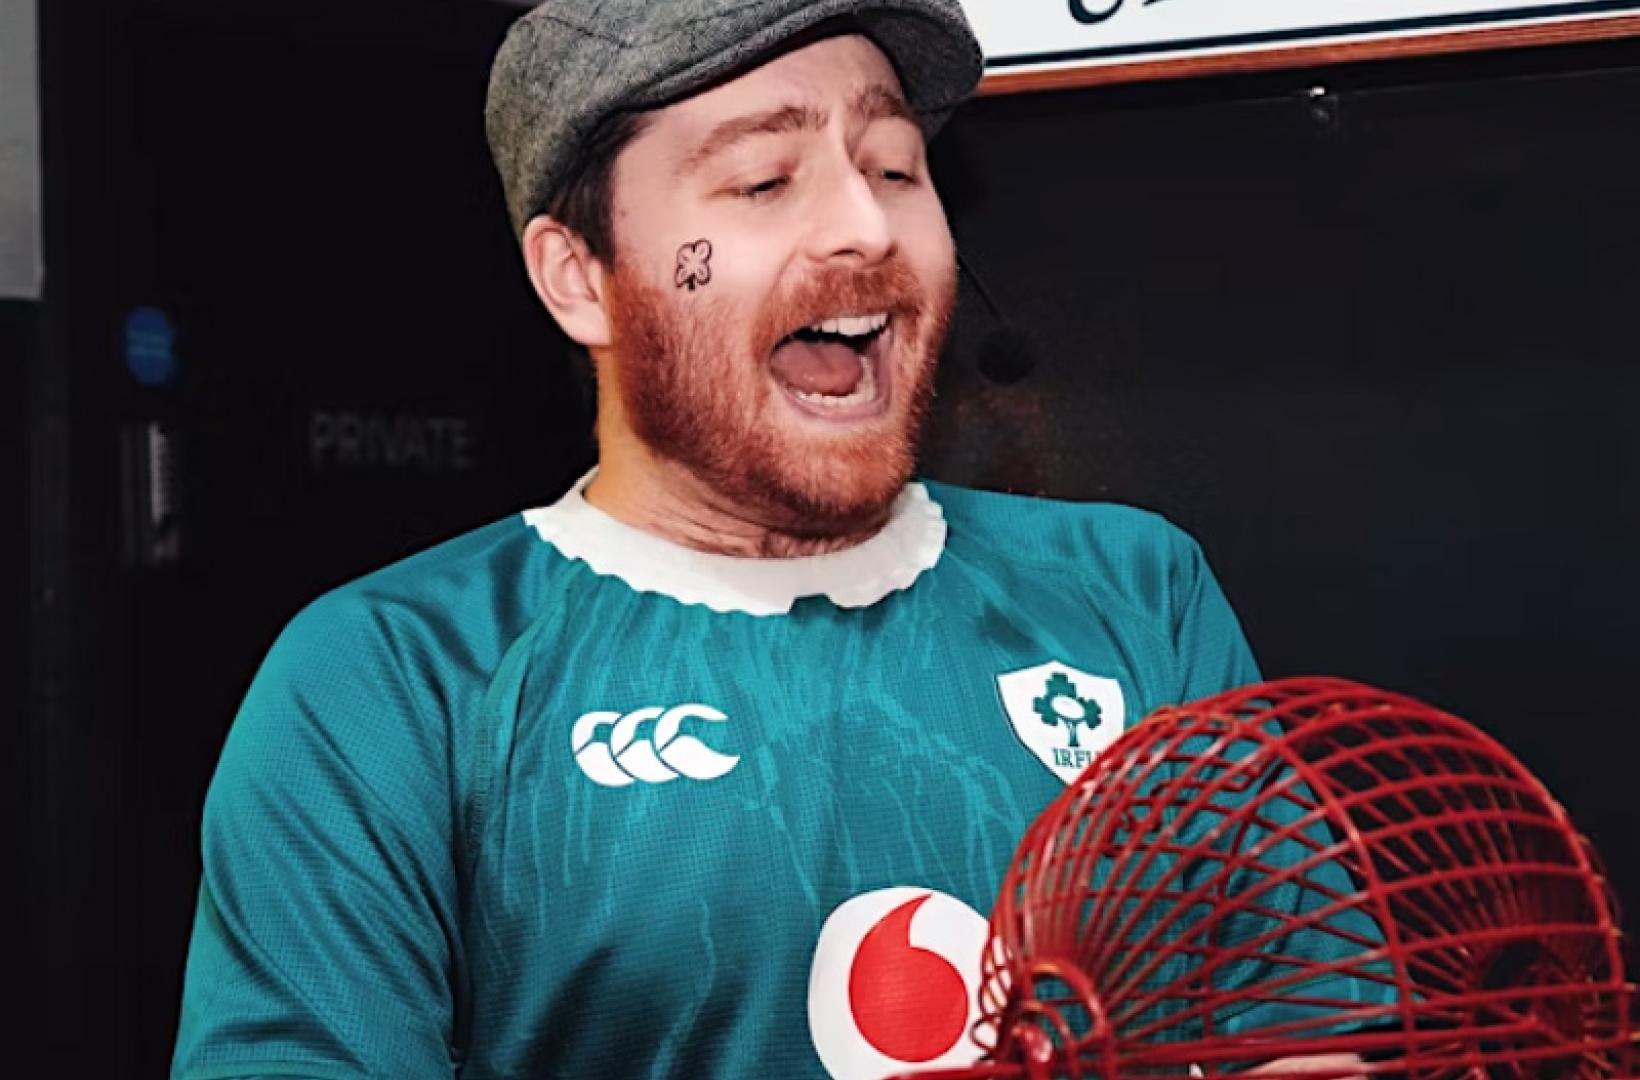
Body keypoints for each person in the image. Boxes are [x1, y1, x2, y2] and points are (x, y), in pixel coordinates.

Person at [169, 2, 1386, 1078]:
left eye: (895, 167)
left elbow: (1302, 1027)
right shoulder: (391, 681)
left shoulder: (1131, 592)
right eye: (763, 182)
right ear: (579, 276)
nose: (864, 227)